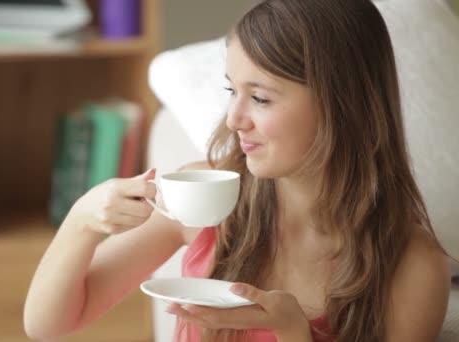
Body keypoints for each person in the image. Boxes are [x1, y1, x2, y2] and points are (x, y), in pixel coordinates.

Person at [23, 0, 451, 341]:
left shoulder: (413, 269)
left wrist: (293, 333)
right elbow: (50, 324)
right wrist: (83, 219)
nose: (234, 119)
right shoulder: (205, 201)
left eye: (261, 98)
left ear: (345, 106)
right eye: (232, 90)